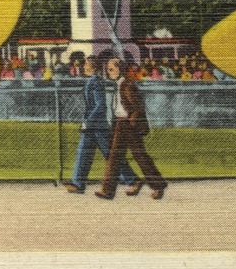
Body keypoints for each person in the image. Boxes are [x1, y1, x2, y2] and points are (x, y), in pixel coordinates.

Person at [96, 58, 167, 200]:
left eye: (111, 69)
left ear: (119, 69)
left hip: (129, 126)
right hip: (120, 125)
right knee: (114, 157)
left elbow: (137, 108)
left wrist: (132, 123)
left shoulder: (127, 85)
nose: (108, 72)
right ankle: (108, 191)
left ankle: (158, 185)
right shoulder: (119, 85)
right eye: (107, 69)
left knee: (139, 156)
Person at [65, 56, 138, 194]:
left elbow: (100, 106)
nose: (84, 67)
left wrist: (88, 121)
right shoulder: (93, 81)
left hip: (98, 127)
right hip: (92, 126)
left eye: (86, 64)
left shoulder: (95, 82)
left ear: (92, 67)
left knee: (110, 155)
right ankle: (78, 183)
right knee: (83, 152)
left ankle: (132, 179)